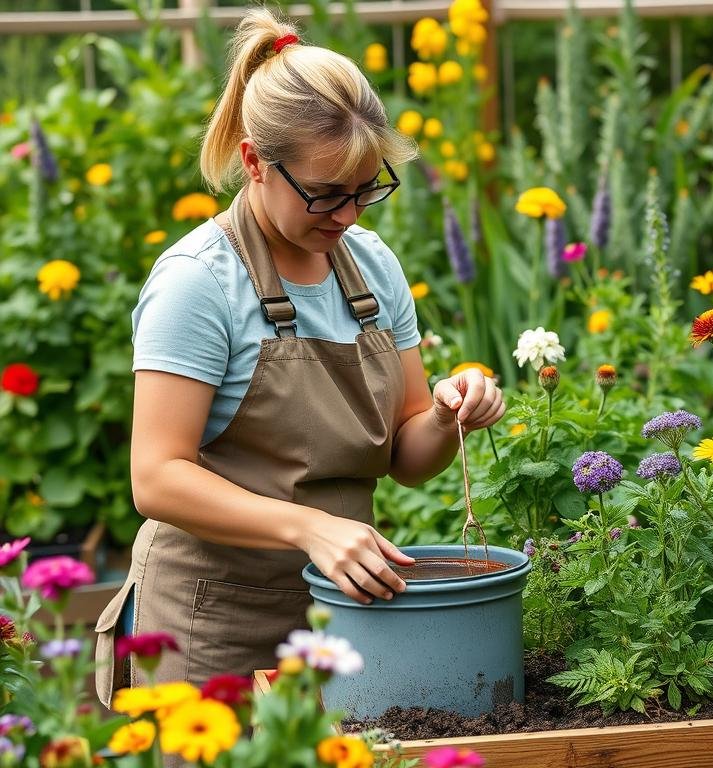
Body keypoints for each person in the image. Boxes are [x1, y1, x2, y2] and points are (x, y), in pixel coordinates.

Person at [94, 8, 505, 706]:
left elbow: (407, 457)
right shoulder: (198, 281)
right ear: (255, 162)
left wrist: (445, 413)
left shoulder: (370, 266)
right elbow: (157, 478)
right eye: (324, 193)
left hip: (340, 615)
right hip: (213, 623)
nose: (348, 215)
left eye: (366, 188)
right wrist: (310, 527)